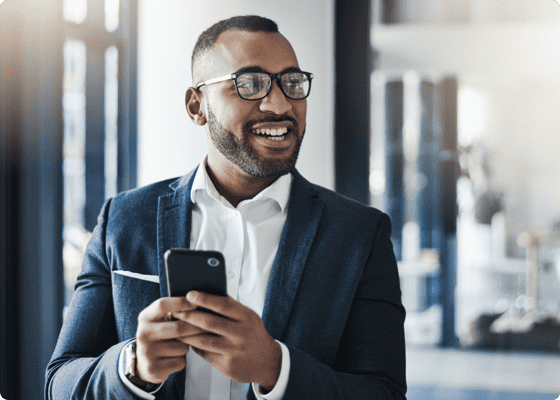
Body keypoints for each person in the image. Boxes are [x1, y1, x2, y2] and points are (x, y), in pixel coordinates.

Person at [46, 15, 406, 400]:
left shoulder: (360, 235)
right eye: (250, 84)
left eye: (293, 82)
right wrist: (133, 367)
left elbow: (383, 391)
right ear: (196, 106)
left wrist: (276, 368)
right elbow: (60, 381)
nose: (280, 103)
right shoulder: (124, 219)